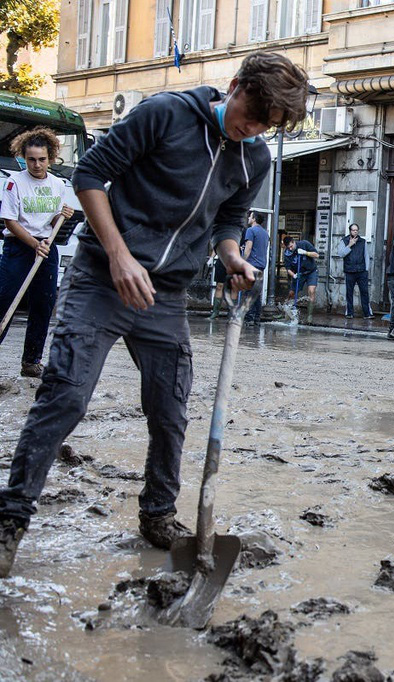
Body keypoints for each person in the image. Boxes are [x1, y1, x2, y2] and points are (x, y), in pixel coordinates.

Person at [0, 51, 310, 578]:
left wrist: (232, 254)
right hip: (103, 278)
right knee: (65, 396)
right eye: (250, 116)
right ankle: (10, 522)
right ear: (233, 86)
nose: (252, 130)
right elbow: (91, 175)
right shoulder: (164, 113)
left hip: (164, 295)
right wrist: (119, 255)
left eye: (266, 126)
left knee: (170, 411)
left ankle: (158, 514)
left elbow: (229, 219)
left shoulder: (253, 157)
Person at [0, 127, 75, 377]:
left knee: (43, 303)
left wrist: (61, 217)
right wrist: (34, 244)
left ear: (50, 157)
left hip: (46, 247)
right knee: (5, 300)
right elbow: (10, 221)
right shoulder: (14, 183)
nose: (36, 164)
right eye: (31, 159)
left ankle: (31, 361)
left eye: (41, 159)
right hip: (19, 247)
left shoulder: (58, 184)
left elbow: (52, 221)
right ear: (24, 157)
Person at [337, 223, 372, 318]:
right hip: (349, 271)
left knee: (364, 292)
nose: (355, 232)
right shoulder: (344, 241)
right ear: (350, 231)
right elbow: (340, 254)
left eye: (356, 230)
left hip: (361, 271)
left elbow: (366, 256)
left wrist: (366, 269)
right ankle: (349, 313)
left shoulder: (362, 241)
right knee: (349, 293)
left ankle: (367, 313)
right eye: (353, 230)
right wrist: (349, 245)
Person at [282, 235, 319, 322]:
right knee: (292, 293)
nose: (290, 249)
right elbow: (288, 269)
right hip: (299, 274)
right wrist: (293, 275)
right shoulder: (287, 253)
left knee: (311, 290)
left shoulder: (304, 244)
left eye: (291, 246)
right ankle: (286, 311)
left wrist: (306, 253)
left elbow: (316, 255)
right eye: (288, 247)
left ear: (293, 241)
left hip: (311, 271)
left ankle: (309, 316)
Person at [241, 211, 269, 325]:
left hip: (251, 264)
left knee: (248, 292)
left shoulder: (250, 231)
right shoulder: (265, 233)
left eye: (250, 216)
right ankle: (257, 318)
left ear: (254, 219)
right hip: (261, 265)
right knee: (256, 292)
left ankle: (249, 318)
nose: (248, 217)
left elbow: (248, 248)